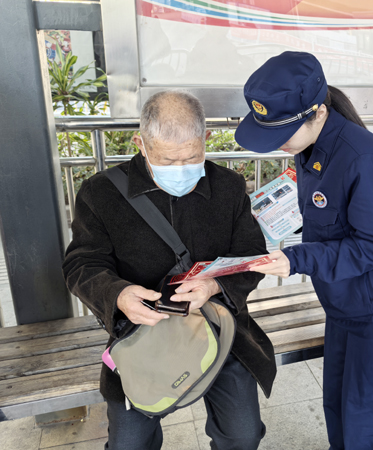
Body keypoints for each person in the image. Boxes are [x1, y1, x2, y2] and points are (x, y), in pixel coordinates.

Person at [63, 90, 276, 450]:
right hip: (142, 334)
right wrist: (118, 295)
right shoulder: (101, 193)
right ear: (141, 143)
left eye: (191, 157)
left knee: (243, 436)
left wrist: (214, 286)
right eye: (166, 159)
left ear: (206, 139)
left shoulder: (228, 187)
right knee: (129, 445)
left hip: (218, 325)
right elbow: (82, 262)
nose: (180, 169)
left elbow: (251, 254)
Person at [235, 52, 373, 450]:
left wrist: (296, 259)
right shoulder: (308, 148)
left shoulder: (366, 161)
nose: (279, 144)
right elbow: (324, 214)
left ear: (318, 113)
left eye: (284, 132)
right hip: (342, 303)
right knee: (336, 404)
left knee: (363, 418)